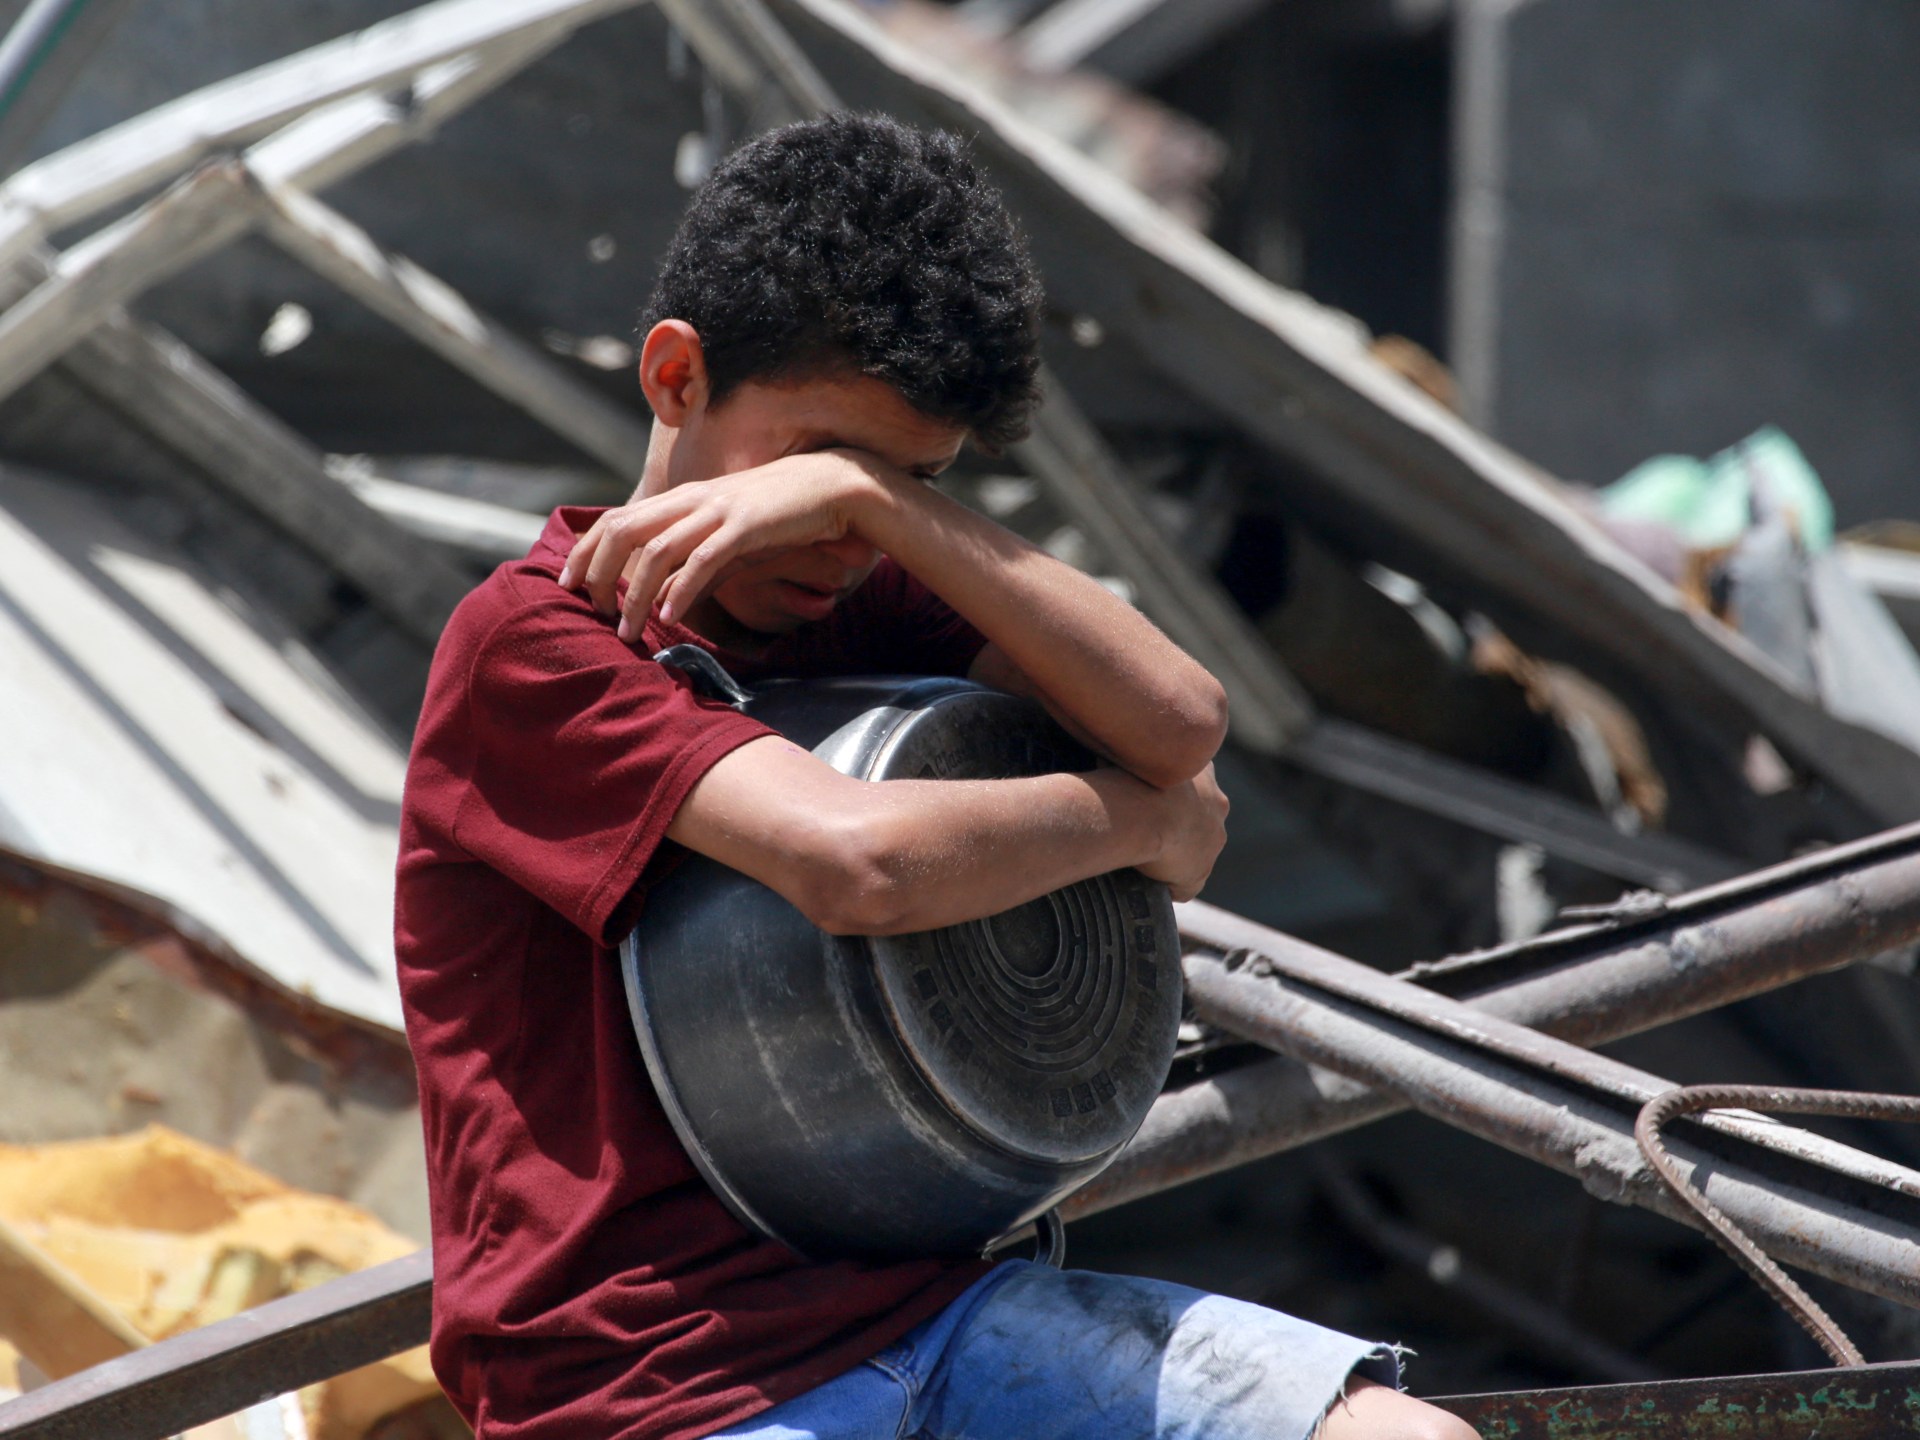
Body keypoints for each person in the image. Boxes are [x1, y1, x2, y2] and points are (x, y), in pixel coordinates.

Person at [395, 113, 1476, 1440]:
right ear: (676, 377)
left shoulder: (863, 585)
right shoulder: (536, 644)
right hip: (652, 1384)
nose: (839, 538)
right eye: (817, 459)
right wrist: (1141, 824)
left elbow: (1182, 722)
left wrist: (887, 508)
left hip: (943, 1308)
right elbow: (859, 865)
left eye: (909, 476)